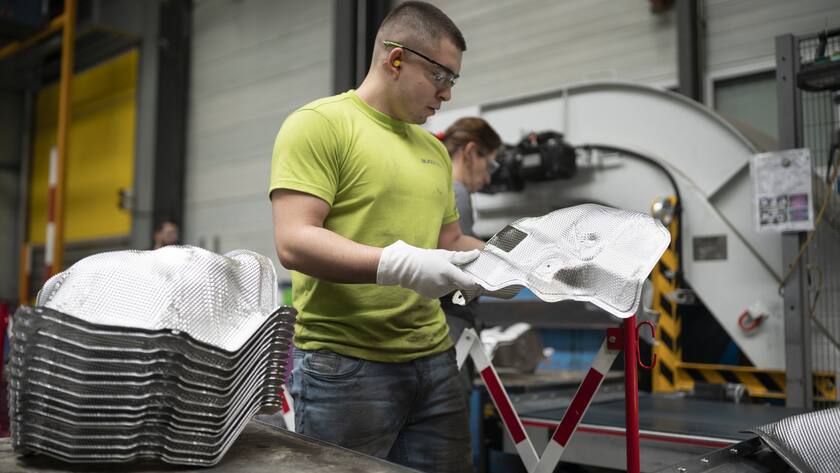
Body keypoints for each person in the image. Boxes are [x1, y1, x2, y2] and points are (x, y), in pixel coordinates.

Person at [269, 2, 483, 472]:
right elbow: (294, 240)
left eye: (453, 80)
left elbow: (450, 241)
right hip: (345, 365)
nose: (447, 94)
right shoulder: (320, 125)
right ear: (396, 58)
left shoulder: (434, 151)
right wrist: (399, 264)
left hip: (434, 358)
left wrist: (518, 258)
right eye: (441, 76)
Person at [437, 117, 502, 398]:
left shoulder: (439, 186)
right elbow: (459, 256)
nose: (487, 179)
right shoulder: (457, 190)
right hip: (450, 324)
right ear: (471, 152)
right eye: (489, 164)